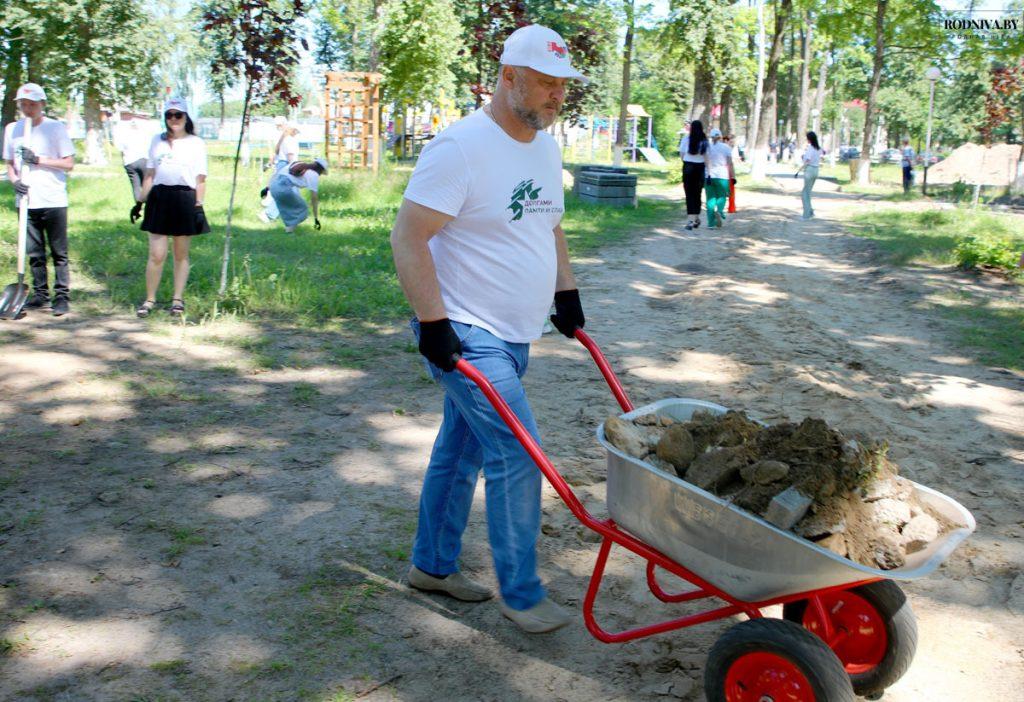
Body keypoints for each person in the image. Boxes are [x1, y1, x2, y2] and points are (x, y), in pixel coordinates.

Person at [389, 24, 586, 635]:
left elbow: (548, 225)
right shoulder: (460, 148)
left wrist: (566, 291)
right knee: (517, 452)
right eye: (546, 83)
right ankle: (522, 595)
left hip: (516, 332)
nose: (558, 96)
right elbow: (408, 237)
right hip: (466, 332)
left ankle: (432, 566)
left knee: (462, 449)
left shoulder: (545, 149)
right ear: (508, 77)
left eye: (564, 85)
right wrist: (433, 325)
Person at [2, 83, 75, 316]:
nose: (27, 109)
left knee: (58, 252)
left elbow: (69, 163)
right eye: (23, 104)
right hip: (26, 201)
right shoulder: (12, 129)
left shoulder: (55, 128)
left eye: (32, 104)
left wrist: (38, 160)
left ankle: (61, 296)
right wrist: (15, 181)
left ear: (42, 104)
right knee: (34, 252)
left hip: (53, 198)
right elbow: (10, 164)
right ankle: (40, 294)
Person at [133, 97, 209, 318]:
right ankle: (150, 299)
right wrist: (140, 201)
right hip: (159, 198)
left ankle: (177, 299)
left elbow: (200, 179)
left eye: (178, 115)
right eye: (169, 115)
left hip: (185, 198)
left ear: (186, 117)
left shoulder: (196, 143)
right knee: (156, 254)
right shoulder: (157, 141)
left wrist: (198, 206)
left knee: (180, 253)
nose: (173, 119)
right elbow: (150, 174)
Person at [268, 158, 327, 233]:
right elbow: (314, 198)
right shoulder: (313, 175)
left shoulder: (298, 164)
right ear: (321, 170)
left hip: (273, 186)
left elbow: (277, 174)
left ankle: (288, 233)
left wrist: (267, 188)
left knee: (287, 211)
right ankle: (289, 232)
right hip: (283, 188)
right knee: (303, 209)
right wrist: (316, 218)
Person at [259, 122, 301, 222]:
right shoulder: (290, 140)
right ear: (292, 130)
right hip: (287, 166)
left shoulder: (285, 139)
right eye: (296, 131)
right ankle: (269, 214)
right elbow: (290, 156)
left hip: (283, 165)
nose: (297, 133)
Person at [114, 116, 153, 203]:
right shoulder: (144, 133)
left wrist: (124, 162)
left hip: (129, 162)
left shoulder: (124, 134)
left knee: (135, 186)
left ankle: (138, 205)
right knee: (147, 184)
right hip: (144, 160)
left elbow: (121, 149)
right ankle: (150, 203)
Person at [679, 119, 708, 230]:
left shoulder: (686, 139)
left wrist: (686, 162)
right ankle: (696, 217)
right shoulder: (704, 140)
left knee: (689, 193)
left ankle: (691, 220)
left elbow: (682, 154)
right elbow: (706, 156)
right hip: (700, 167)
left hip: (688, 166)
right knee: (697, 193)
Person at [704, 128, 734, 228]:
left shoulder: (706, 147)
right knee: (722, 196)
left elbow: (704, 161)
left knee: (710, 199)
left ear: (711, 136)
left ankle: (711, 223)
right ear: (720, 136)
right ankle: (720, 210)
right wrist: (732, 176)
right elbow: (729, 163)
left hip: (709, 175)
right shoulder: (726, 147)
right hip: (722, 175)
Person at [796, 130, 824, 220]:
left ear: (809, 139)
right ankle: (810, 212)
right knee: (808, 192)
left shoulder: (810, 148)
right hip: (816, 170)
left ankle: (806, 215)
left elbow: (807, 159)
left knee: (805, 193)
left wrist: (803, 159)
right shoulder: (818, 148)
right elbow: (822, 155)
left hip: (809, 170)